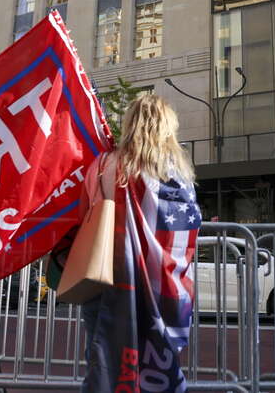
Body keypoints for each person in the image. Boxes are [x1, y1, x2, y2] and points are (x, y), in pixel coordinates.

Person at [78, 94, 200, 392]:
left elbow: (85, 218)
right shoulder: (181, 174)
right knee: (159, 365)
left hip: (108, 282)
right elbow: (188, 229)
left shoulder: (104, 165)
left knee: (104, 365)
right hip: (165, 291)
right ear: (168, 128)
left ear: (130, 124)